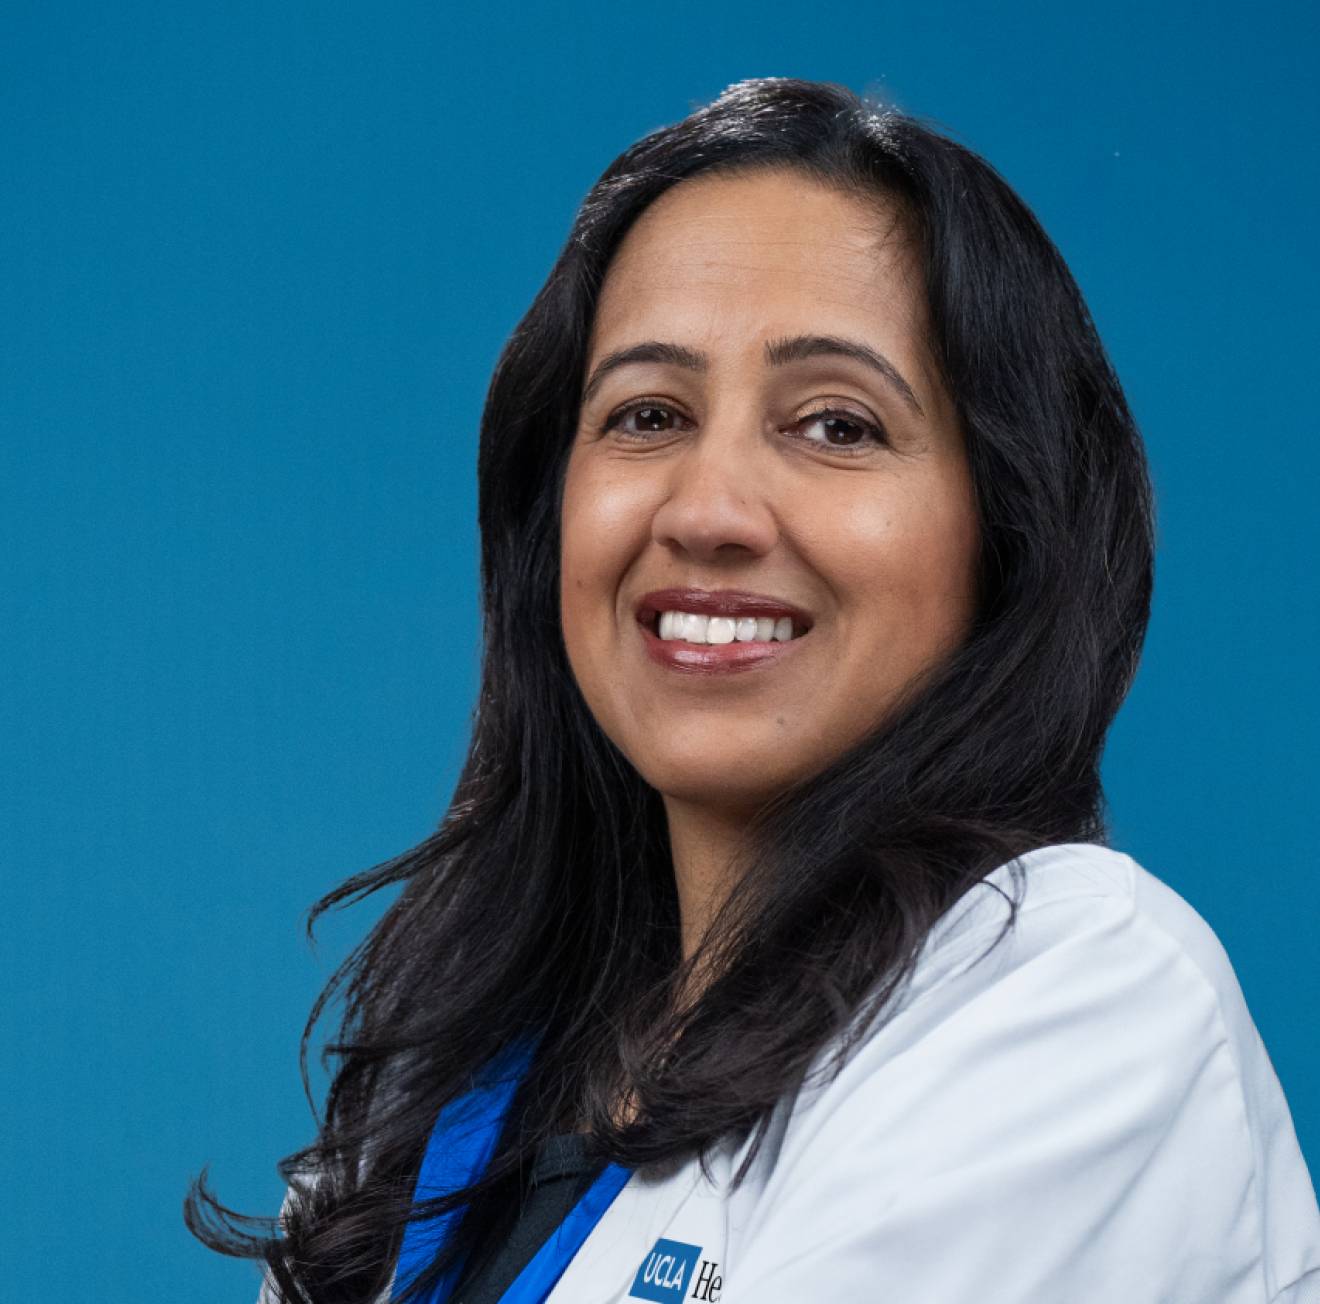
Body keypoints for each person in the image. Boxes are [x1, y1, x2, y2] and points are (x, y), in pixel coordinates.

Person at [186, 77, 1320, 1303]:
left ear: (1009, 530)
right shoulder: (453, 1099)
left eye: (836, 425)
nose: (709, 512)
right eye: (648, 413)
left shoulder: (1079, 994)